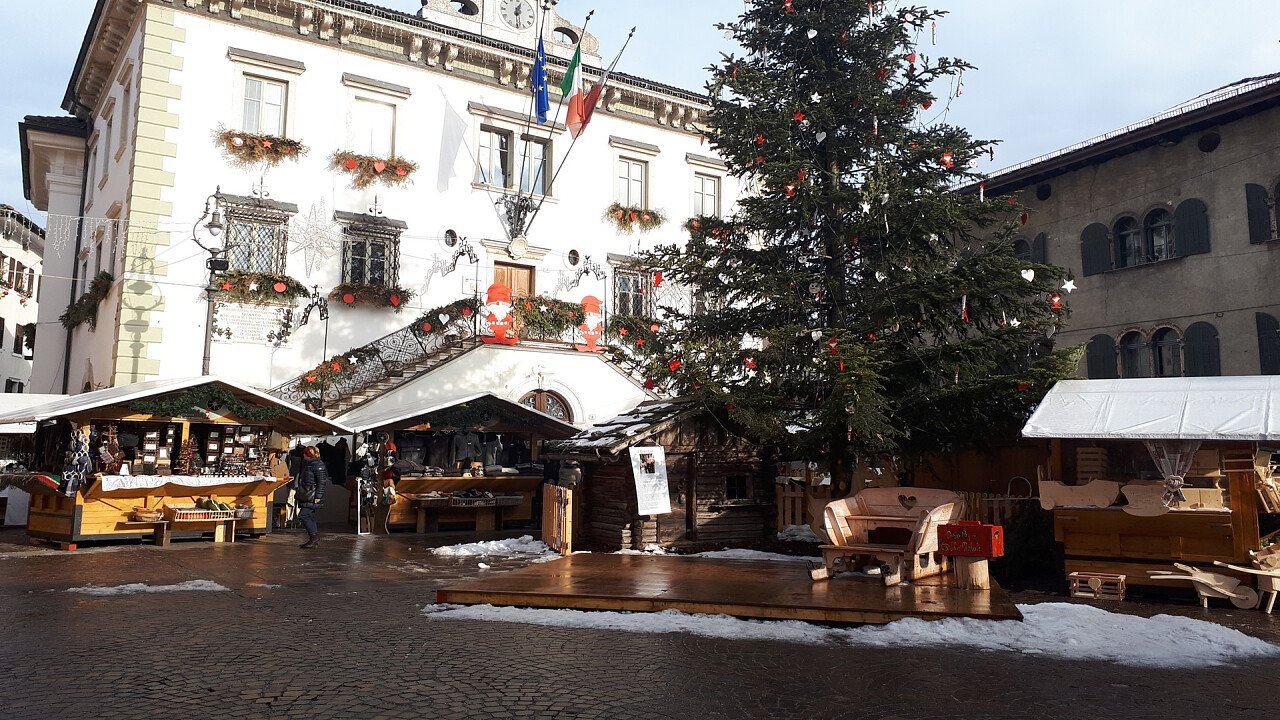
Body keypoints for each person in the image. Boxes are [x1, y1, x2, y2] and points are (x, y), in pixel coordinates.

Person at [296, 446, 329, 549]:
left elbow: (321, 481)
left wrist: (318, 496)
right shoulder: (310, 464)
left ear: (308, 454)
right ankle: (313, 539)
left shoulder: (317, 465)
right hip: (308, 494)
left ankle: (314, 537)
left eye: (305, 453)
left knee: (303, 515)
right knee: (310, 515)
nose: (303, 455)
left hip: (312, 495)